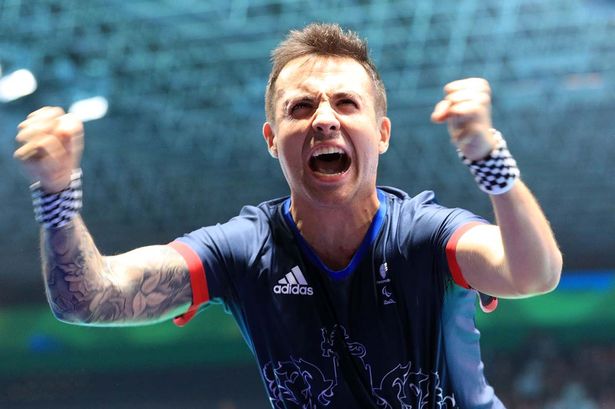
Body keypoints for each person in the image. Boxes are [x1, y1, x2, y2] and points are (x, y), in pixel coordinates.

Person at [13, 23, 561, 408]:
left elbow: (535, 274)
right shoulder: (240, 251)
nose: (324, 119)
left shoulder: (426, 234)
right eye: (301, 107)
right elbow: (86, 299)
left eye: (346, 103)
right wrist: (57, 194)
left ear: (383, 134)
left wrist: (492, 161)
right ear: (272, 141)